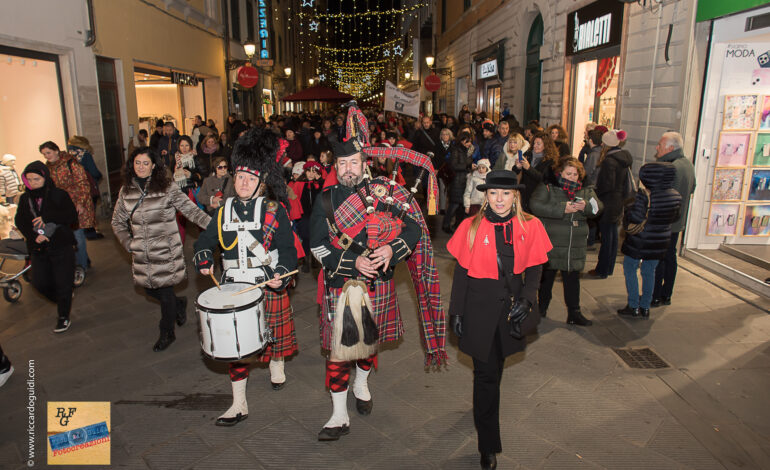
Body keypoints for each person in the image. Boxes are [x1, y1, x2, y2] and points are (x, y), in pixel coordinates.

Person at [310, 104, 445, 441]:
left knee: (368, 346)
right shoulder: (325, 200)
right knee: (340, 351)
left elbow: (414, 229)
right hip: (341, 282)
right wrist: (351, 262)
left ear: (364, 162)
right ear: (336, 167)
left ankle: (362, 382)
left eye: (354, 162)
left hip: (378, 284)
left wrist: (391, 249)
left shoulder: (387, 192)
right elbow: (316, 245)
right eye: (342, 163)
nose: (348, 168)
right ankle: (338, 415)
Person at [446, 170, 551, 470]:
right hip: (478, 308)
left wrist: (528, 299)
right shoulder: (469, 226)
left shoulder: (531, 226)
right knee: (486, 376)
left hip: (511, 310)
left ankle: (484, 410)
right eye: (493, 193)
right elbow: (462, 274)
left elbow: (534, 270)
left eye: (506, 193)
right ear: (486, 195)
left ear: (515, 196)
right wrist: (456, 311)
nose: (500, 199)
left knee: (498, 366)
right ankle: (487, 445)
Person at [193, 128, 299, 426]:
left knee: (274, 336)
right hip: (233, 287)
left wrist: (281, 273)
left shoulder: (274, 211)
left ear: (261, 183)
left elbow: (289, 251)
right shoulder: (223, 210)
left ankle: (277, 362)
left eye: (250, 179)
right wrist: (202, 257)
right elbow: (205, 242)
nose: (242, 183)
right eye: (239, 177)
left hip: (267, 284)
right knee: (235, 347)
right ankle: (239, 403)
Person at [111, 147, 211, 351]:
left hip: (166, 251)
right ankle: (179, 303)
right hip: (143, 254)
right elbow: (117, 221)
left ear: (153, 165)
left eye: (145, 163)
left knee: (165, 294)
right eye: (137, 163)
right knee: (148, 289)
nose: (141, 167)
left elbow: (190, 210)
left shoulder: (166, 187)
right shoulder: (126, 191)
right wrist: (127, 242)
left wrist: (216, 226)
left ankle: (167, 332)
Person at [530, 158, 602, 326]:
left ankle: (574, 313)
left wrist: (586, 207)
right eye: (568, 173)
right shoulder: (548, 186)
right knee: (546, 278)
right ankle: (541, 309)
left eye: (575, 174)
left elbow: (598, 207)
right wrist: (562, 208)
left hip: (573, 243)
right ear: (560, 173)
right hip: (551, 240)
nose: (571, 177)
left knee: (572, 278)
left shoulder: (585, 190)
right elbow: (535, 205)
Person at [15, 161, 78, 333]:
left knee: (63, 282)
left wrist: (47, 217)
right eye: (29, 180)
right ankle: (63, 299)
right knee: (39, 282)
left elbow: (71, 216)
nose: (33, 183)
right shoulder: (25, 198)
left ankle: (63, 316)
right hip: (38, 247)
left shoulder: (58, 195)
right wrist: (35, 236)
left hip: (61, 245)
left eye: (36, 179)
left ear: (45, 177)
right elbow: (20, 221)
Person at [618, 162, 682, 317]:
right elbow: (676, 217)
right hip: (661, 240)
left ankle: (633, 305)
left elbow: (635, 217)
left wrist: (628, 211)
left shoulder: (645, 195)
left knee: (630, 268)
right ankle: (645, 306)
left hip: (640, 240)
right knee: (650, 272)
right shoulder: (675, 195)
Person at [651, 132, 695, 307]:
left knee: (660, 258)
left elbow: (663, 196)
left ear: (670, 148)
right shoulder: (688, 165)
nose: (657, 147)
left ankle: (655, 295)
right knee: (670, 257)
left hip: (666, 221)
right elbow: (692, 188)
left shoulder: (671, 167)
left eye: (660, 145)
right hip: (677, 221)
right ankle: (666, 294)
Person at [39, 141, 94, 273]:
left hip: (75, 204)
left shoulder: (71, 163)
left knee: (77, 236)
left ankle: (81, 267)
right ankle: (82, 261)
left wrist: (80, 202)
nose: (47, 156)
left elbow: (83, 183)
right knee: (68, 237)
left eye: (48, 153)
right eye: (44, 154)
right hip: (60, 206)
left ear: (56, 151)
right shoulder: (48, 168)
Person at [588, 129, 633, 279]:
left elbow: (607, 185)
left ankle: (602, 269)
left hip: (608, 202)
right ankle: (608, 268)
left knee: (607, 237)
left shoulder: (609, 161)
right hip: (618, 201)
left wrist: (597, 195)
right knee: (612, 236)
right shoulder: (623, 158)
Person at [515, 132, 559, 212]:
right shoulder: (528, 154)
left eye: (538, 144)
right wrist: (517, 167)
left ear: (546, 145)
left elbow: (544, 179)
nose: (535, 146)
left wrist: (529, 168)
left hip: (538, 196)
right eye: (534, 143)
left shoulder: (551, 161)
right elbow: (515, 171)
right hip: (524, 194)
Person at [443, 132, 475, 233]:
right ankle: (446, 225)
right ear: (461, 141)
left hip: (465, 180)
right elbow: (454, 165)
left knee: (461, 205)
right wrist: (468, 166)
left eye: (470, 141)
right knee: (454, 204)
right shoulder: (456, 150)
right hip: (457, 181)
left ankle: (458, 225)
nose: (469, 143)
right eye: (467, 141)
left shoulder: (468, 151)